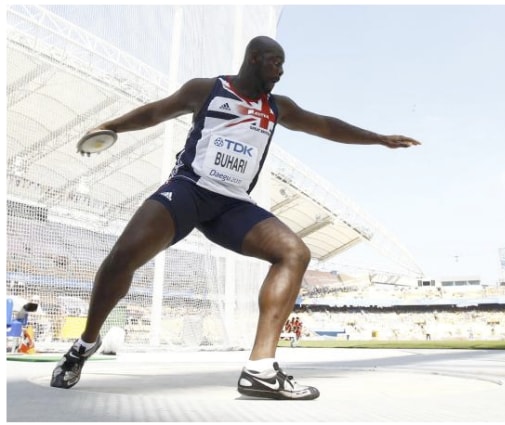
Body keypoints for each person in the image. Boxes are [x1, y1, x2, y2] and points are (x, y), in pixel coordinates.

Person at [50, 35, 421, 400]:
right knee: (122, 258)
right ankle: (84, 345)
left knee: (295, 253)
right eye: (276, 63)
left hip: (232, 205)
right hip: (189, 189)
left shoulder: (278, 107)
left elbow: (324, 124)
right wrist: (110, 126)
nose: (281, 72)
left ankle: (260, 369)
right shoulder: (207, 90)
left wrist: (379, 138)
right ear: (255, 58)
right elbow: (155, 111)